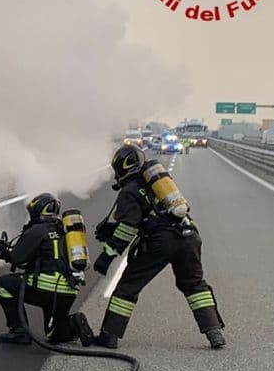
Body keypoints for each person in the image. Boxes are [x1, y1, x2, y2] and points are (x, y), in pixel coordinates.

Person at [91, 144, 226, 349]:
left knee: (127, 288)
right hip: (189, 236)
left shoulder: (129, 191)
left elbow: (128, 227)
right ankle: (214, 332)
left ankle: (109, 336)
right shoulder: (159, 184)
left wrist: (107, 256)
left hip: (161, 242)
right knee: (194, 285)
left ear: (120, 168)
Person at [0, 193, 92, 346]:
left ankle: (20, 332)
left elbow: (18, 259)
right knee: (54, 336)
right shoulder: (65, 230)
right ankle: (72, 324)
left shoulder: (37, 230)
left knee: (4, 283)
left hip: (46, 290)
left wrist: (3, 253)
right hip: (68, 291)